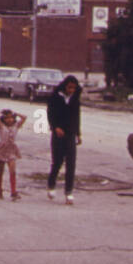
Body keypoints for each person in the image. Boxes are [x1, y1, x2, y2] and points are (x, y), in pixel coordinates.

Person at [46, 74, 82, 204]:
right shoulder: (56, 97)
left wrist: (78, 134)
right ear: (65, 86)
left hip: (70, 134)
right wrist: (55, 127)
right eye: (69, 87)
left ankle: (69, 192)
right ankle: (51, 185)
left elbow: (77, 117)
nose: (71, 90)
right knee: (57, 162)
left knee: (71, 164)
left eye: (74, 88)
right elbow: (50, 113)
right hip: (58, 135)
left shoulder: (75, 99)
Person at [0, 108, 27, 199]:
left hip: (11, 149)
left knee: (13, 170)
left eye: (11, 118)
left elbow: (24, 117)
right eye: (7, 118)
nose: (9, 120)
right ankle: (0, 189)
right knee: (1, 170)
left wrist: (16, 113)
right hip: (2, 149)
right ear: (4, 119)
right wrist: (1, 112)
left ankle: (13, 191)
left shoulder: (16, 126)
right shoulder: (1, 126)